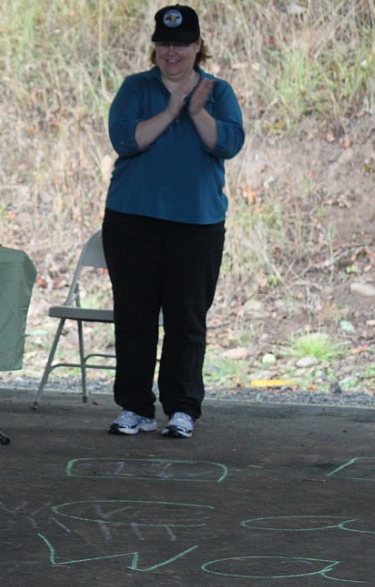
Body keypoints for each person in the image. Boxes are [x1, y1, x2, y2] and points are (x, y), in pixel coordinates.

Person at [103, 5, 244, 439]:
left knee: (186, 318)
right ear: (154, 48)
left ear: (198, 46)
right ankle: (135, 407)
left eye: (181, 44)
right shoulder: (135, 88)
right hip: (132, 220)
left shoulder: (218, 92)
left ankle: (182, 408)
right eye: (164, 44)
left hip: (196, 224)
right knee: (135, 316)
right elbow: (126, 140)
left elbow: (229, 144)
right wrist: (171, 109)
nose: (172, 52)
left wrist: (198, 111)